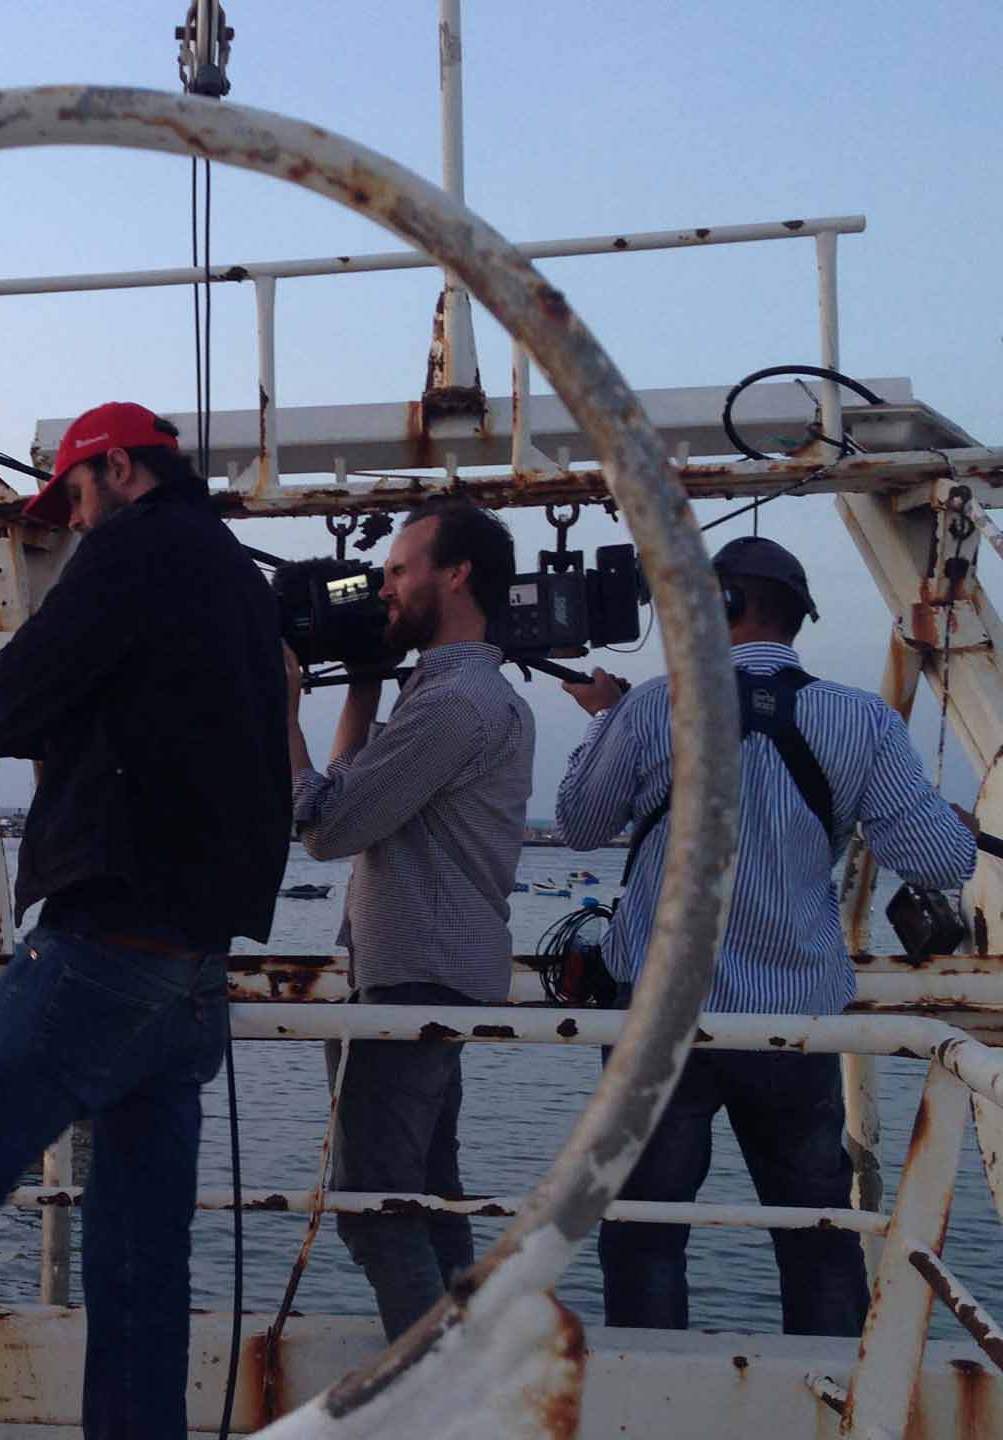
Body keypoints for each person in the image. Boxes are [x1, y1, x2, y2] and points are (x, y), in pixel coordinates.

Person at [0, 402, 291, 1439]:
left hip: (103, 951)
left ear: (120, 471)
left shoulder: (130, 551)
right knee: (137, 1261)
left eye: (75, 499)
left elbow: (6, 710)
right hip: (193, 974)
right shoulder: (232, 577)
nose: (72, 526)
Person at [557, 534, 977, 1335]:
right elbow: (936, 857)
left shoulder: (653, 703)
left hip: (658, 1026)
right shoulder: (861, 719)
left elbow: (577, 822)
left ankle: (651, 1402)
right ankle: (829, 1397)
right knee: (816, 1232)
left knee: (644, 1233)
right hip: (793, 1025)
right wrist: (946, 821)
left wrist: (603, 723)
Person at [284, 496, 535, 1341]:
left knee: (375, 1206)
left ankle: (427, 1387)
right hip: (421, 973)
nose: (381, 588)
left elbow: (326, 828)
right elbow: (350, 795)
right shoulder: (450, 693)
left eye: (397, 570)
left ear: (455, 574)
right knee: (429, 1190)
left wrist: (283, 710)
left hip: (413, 980)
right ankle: (460, 1360)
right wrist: (361, 679)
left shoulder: (454, 702)